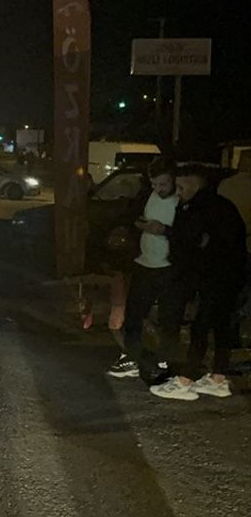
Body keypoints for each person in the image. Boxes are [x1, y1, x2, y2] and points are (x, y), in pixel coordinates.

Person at [149, 165, 248, 400]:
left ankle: (186, 381)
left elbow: (194, 242)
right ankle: (217, 378)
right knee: (221, 325)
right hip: (229, 275)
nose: (178, 191)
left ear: (194, 184)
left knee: (201, 327)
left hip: (216, 276)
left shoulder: (203, 208)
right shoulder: (218, 205)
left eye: (181, 187)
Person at [109, 158, 183, 381]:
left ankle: (166, 362)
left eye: (163, 184)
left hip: (170, 268)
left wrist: (166, 231)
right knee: (134, 315)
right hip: (144, 263)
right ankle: (130, 357)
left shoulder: (182, 201)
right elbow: (130, 216)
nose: (158, 189)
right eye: (154, 184)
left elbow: (190, 234)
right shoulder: (146, 195)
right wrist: (138, 225)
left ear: (174, 181)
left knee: (169, 318)